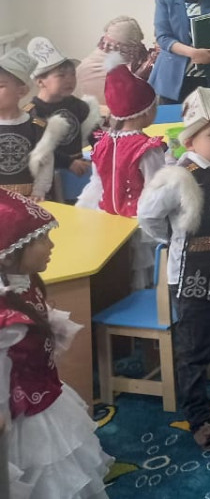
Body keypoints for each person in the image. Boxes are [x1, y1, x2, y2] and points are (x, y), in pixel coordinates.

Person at [138, 87, 210, 450]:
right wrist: (173, 238)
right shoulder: (177, 177)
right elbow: (148, 217)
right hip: (191, 275)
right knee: (195, 348)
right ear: (190, 140)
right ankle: (199, 416)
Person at [0, 188, 112, 498]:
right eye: (41, 239)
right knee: (46, 474)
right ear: (10, 252)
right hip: (25, 416)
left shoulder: (24, 284)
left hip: (46, 391)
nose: (51, 245)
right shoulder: (7, 318)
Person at [78, 58, 168, 289]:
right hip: (138, 219)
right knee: (142, 268)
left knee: (118, 270)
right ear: (144, 113)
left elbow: (98, 182)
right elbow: (156, 186)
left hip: (106, 216)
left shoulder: (102, 143)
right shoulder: (147, 148)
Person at [24, 37, 100, 201]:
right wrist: (67, 162)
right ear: (40, 82)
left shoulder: (78, 106)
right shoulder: (33, 112)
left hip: (79, 172)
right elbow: (38, 148)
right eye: (61, 75)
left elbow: (95, 134)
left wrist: (107, 150)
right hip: (49, 179)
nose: (70, 79)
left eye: (72, 74)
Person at [0, 48, 66, 200]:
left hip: (27, 199)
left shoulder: (37, 127)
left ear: (22, 91)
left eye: (0, 86)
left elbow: (45, 163)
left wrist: (39, 191)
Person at [74, 15, 158, 100]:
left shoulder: (140, 58)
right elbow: (123, 100)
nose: (137, 51)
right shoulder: (93, 68)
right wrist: (139, 77)